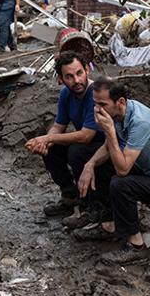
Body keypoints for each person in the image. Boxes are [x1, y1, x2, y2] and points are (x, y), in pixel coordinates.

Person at [74, 77, 150, 262]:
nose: (97, 110)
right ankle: (109, 225)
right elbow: (108, 147)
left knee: (121, 183)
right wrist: (90, 164)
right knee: (99, 165)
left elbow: (122, 170)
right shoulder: (119, 114)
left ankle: (136, 246)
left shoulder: (140, 121)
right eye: (95, 104)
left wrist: (110, 132)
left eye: (102, 104)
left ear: (120, 102)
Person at [25, 51, 106, 228]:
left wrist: (49, 138)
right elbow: (59, 125)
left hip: (106, 148)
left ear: (87, 70)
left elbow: (86, 136)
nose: (76, 81)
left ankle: (89, 207)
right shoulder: (66, 94)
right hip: (87, 144)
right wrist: (45, 141)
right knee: (52, 147)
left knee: (76, 151)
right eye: (69, 76)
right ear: (61, 79)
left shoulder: (95, 94)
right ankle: (70, 196)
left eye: (79, 73)